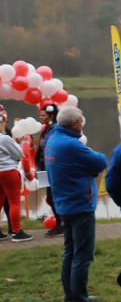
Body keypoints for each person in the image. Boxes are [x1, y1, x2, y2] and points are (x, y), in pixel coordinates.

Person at [46, 107, 110, 302]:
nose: (83, 125)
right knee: (82, 256)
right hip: (79, 204)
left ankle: (71, 296)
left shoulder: (53, 138)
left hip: (64, 203)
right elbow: (101, 161)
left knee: (70, 252)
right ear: (75, 124)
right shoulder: (72, 144)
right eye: (82, 122)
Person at [0, 113, 34, 242]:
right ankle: (16, 232)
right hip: (8, 171)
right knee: (13, 202)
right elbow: (19, 154)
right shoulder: (5, 138)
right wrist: (19, 143)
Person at [37, 102, 62, 237]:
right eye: (40, 115)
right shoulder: (45, 129)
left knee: (53, 196)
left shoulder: (56, 129)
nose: (41, 117)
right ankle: (60, 223)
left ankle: (61, 224)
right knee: (50, 197)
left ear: (51, 115)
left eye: (43, 115)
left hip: (53, 168)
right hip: (44, 168)